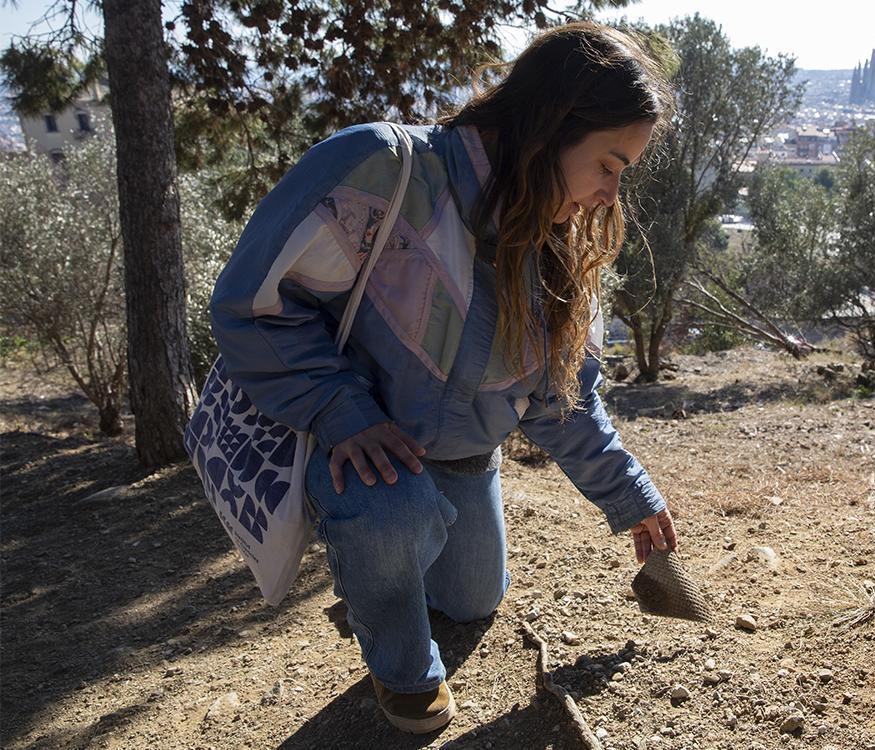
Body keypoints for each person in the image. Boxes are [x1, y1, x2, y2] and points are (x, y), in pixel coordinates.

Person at [208, 21, 678, 734]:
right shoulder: (381, 170)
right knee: (390, 513)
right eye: (609, 164)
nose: (611, 196)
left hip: (461, 457)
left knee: (474, 601)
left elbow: (563, 400)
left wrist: (630, 496)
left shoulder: (558, 240)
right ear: (550, 128)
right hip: (354, 445)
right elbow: (253, 304)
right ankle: (401, 667)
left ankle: (385, 572)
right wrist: (342, 410)